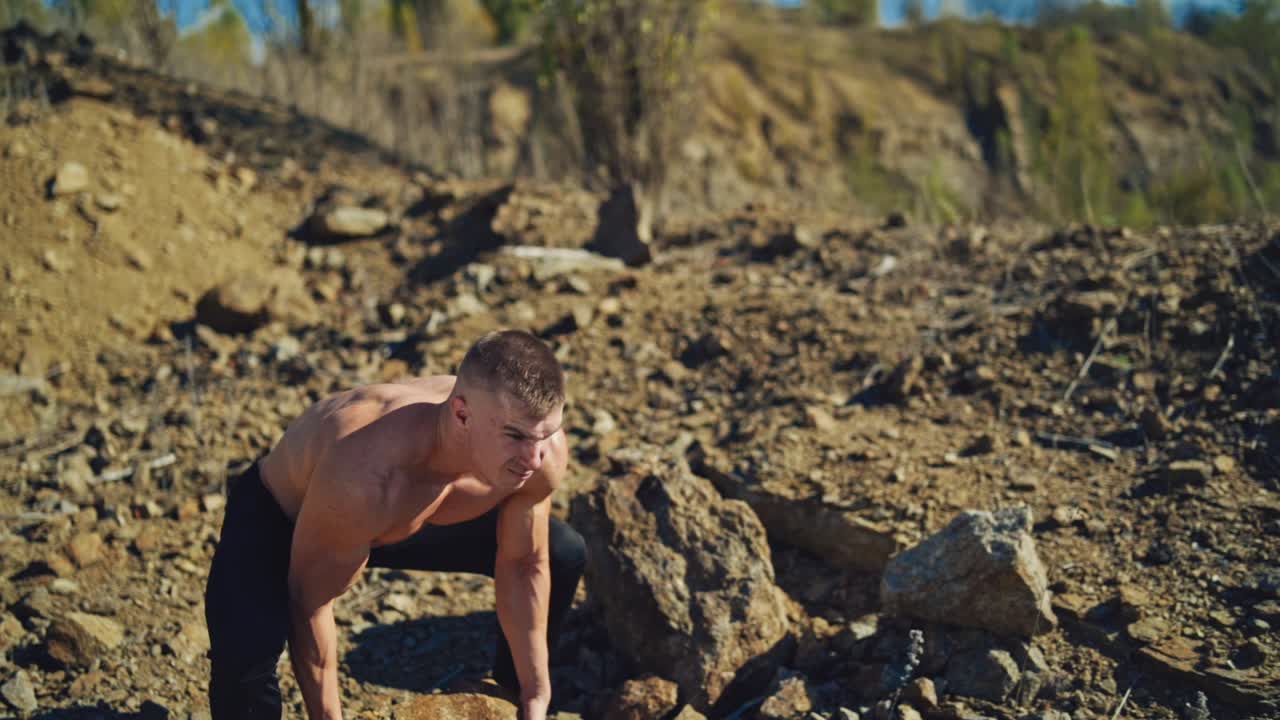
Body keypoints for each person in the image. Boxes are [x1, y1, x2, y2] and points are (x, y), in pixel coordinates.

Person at [203, 329, 586, 720]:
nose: (535, 457)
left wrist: (536, 693)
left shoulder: (539, 449)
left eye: (547, 433)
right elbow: (311, 606)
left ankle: (509, 692)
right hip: (288, 515)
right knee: (246, 653)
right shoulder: (367, 473)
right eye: (516, 436)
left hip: (406, 514)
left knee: (561, 553)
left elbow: (523, 564)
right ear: (462, 414)